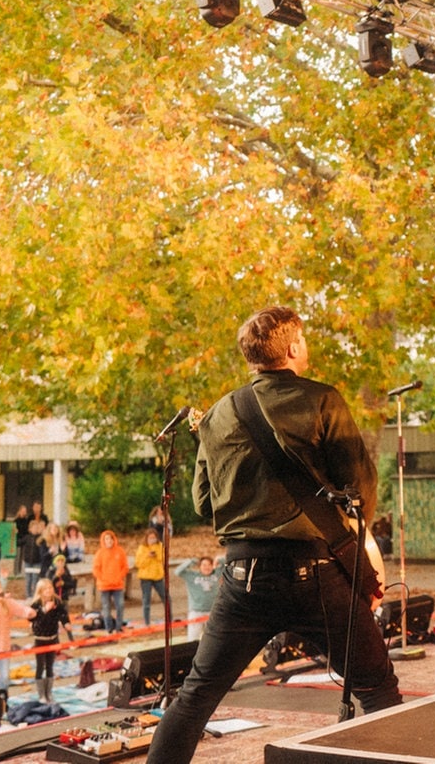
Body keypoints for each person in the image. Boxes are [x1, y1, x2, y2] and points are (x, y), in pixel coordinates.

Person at [146, 306, 401, 763]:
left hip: (243, 576)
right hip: (318, 574)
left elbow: (204, 503)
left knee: (194, 699)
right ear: (292, 347)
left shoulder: (220, 413)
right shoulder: (323, 400)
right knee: (377, 689)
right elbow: (360, 493)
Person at [0, 577, 33, 691]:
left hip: (4, 646)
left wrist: (30, 613)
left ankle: (2, 698)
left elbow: (22, 610)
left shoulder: (8, 602)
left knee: (5, 678)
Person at [26, 577, 72, 703]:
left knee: (50, 666)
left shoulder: (57, 601)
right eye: (45, 589)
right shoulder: (36, 604)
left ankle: (49, 693)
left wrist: (66, 623)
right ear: (40, 591)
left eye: (50, 588)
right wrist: (45, 610)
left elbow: (63, 614)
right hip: (40, 638)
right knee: (40, 666)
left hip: (52, 637)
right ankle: (41, 695)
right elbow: (31, 618)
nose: (48, 591)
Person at [175, 555, 221, 641]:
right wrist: (191, 561)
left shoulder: (216, 574)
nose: (207, 567)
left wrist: (219, 560)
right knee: (193, 639)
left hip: (212, 612)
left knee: (214, 639)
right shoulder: (192, 576)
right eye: (204, 565)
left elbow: (226, 565)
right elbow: (178, 571)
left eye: (209, 565)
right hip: (196, 612)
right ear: (199, 566)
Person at [92, 529, 129, 631]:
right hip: (104, 585)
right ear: (103, 540)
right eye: (106, 539)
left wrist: (119, 577)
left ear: (114, 539)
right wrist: (103, 578)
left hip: (117, 584)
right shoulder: (100, 553)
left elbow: (125, 567)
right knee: (106, 609)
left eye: (110, 538)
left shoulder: (120, 551)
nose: (109, 541)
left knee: (120, 606)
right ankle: (108, 628)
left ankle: (118, 627)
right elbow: (95, 569)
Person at [135, 531, 168, 625]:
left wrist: (155, 553)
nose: (152, 540)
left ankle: (169, 619)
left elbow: (163, 559)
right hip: (146, 577)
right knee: (146, 600)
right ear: (146, 538)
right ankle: (147, 622)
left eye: (154, 538)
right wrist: (148, 556)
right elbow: (139, 563)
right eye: (150, 538)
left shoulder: (160, 546)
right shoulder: (142, 548)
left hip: (158, 576)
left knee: (166, 598)